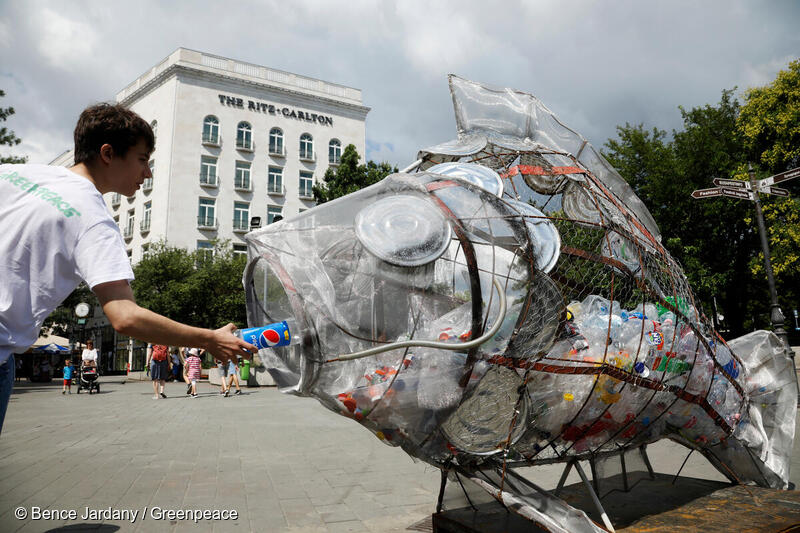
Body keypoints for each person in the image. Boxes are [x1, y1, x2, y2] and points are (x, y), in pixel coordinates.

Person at [0, 103, 257, 434]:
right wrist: (208, 338)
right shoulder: (92, 217)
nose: (147, 173)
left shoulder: (15, 173)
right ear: (108, 153)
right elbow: (125, 316)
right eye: (141, 159)